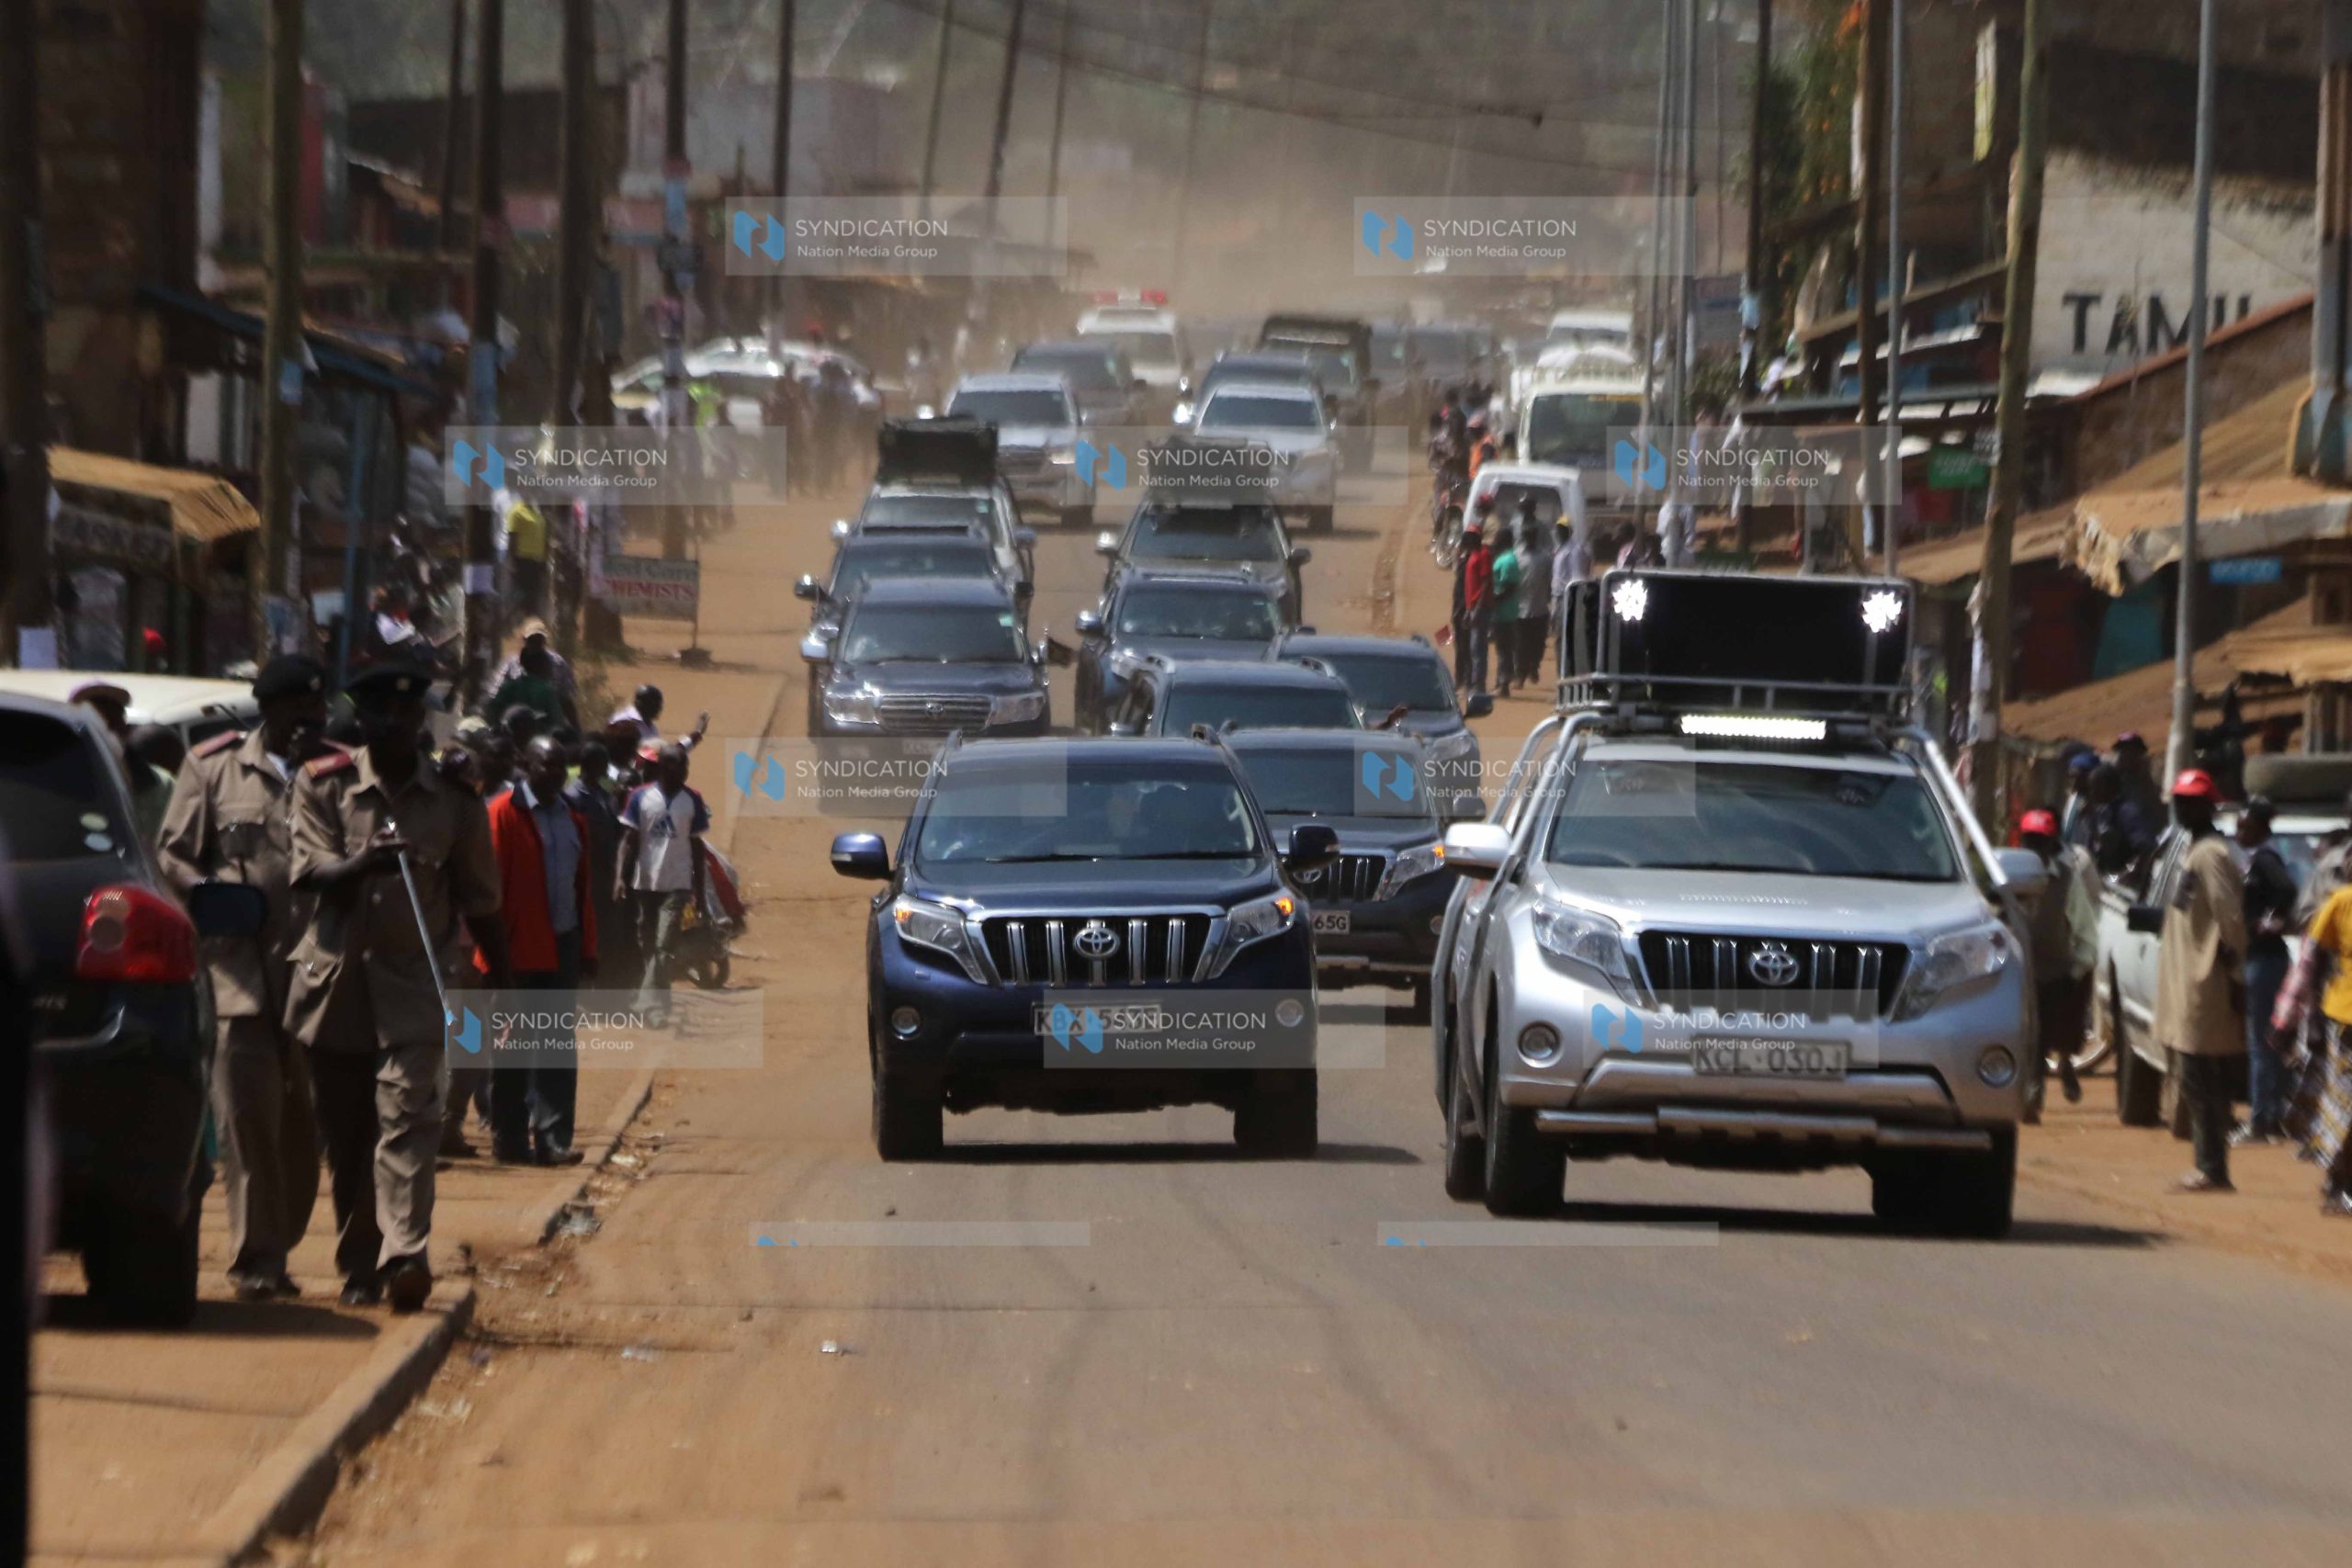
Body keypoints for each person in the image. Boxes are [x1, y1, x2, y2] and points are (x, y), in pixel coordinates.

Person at [288, 658, 509, 1310]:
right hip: (335, 989)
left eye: (411, 714)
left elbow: (481, 900)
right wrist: (363, 864)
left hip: (416, 985)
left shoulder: (455, 799)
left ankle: (406, 1251)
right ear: (364, 719)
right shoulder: (322, 785)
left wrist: (509, 983)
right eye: (386, 714)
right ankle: (361, 1261)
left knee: (408, 1118)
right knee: (351, 1139)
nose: (400, 725)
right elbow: (309, 871)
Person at [154, 654, 330, 1300]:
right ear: (271, 710)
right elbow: (172, 849)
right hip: (240, 975)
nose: (309, 725)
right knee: (247, 1123)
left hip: (316, 974)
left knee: (301, 1128)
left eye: (318, 713)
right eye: (298, 713)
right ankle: (256, 1259)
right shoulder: (214, 766)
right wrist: (211, 889)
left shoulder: (335, 774)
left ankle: (278, 1242)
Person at [481, 737, 599, 1166]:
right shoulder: (502, 814)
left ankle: (552, 1140)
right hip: (515, 952)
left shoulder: (573, 818)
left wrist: (587, 947)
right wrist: (491, 958)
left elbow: (581, 889)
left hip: (562, 947)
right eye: (545, 765)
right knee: (511, 1048)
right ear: (524, 763)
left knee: (556, 1048)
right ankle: (509, 1140)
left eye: (559, 766)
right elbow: (487, 893)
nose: (553, 773)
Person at [2134, 769, 2246, 1193]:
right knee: (2195, 1077)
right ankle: (2209, 1163)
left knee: (2202, 1080)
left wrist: (2234, 974)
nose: (2183, 807)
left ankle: (2212, 1167)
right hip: (2186, 980)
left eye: (2192, 800)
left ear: (2209, 804)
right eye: (2179, 800)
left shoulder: (2211, 855)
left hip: (2205, 983)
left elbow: (2231, 918)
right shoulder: (2192, 850)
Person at [2275, 883, 2352, 1217]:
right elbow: (2314, 959)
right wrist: (2313, 1020)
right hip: (2345, 1018)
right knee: (2347, 1112)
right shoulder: (2342, 902)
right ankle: (2341, 1184)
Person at [616, 743, 708, 1021]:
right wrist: (620, 877)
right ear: (663, 768)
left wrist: (699, 891)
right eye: (678, 766)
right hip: (645, 883)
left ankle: (645, 1003)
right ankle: (660, 1004)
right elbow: (628, 841)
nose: (684, 772)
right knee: (649, 946)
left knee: (663, 944)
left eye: (686, 766)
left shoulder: (692, 800)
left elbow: (697, 848)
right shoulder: (639, 798)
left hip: (677, 884)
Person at [2018, 808, 2098, 1107]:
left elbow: (2085, 931)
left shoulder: (2067, 881)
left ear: (2052, 845)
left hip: (2054, 972)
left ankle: (2048, 1079)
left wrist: (2077, 971)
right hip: (2020, 971)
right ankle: (2032, 1090)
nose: (2034, 849)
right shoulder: (2007, 877)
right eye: (2030, 841)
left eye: (2040, 842)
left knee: (2053, 1032)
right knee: (2028, 1035)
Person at [2236, 797, 2299, 1145]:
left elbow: (2287, 890)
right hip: (2263, 959)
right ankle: (2273, 1115)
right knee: (2269, 1041)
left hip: (2265, 960)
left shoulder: (2264, 859)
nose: (2238, 832)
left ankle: (2262, 1120)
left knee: (2260, 1042)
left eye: (2244, 826)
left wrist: (2269, 922)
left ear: (2260, 829)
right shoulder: (2256, 858)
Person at [71, 680, 174, 845]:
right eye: (95, 723)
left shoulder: (162, 786)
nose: (105, 732)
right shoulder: (61, 786)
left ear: (124, 728)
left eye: (112, 722)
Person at [490, 618, 581, 729]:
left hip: (546, 724)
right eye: (532, 640)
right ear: (525, 640)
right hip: (515, 723)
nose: (536, 644)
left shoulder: (558, 663)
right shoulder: (511, 664)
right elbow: (495, 697)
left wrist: (576, 727)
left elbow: (566, 700)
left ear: (545, 641)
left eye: (539, 640)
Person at [488, 643, 567, 735]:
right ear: (540, 665)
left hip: (510, 737)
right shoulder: (547, 690)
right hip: (538, 738)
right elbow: (557, 721)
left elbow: (493, 710)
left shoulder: (509, 687)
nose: (549, 668)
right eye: (547, 663)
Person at [609, 683, 708, 753]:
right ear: (642, 704)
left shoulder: (650, 726)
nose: (660, 709)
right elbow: (661, 758)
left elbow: (660, 757)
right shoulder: (622, 722)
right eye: (656, 705)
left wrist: (696, 734)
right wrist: (696, 735)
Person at [1458, 518, 1494, 698]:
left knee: (1478, 648)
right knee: (1474, 648)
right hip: (1472, 607)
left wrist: (1477, 609)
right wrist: (1468, 610)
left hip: (1480, 608)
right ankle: (1474, 684)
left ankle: (1479, 687)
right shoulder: (1472, 555)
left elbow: (1486, 582)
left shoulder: (1483, 555)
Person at [1488, 521, 1525, 698]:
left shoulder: (1509, 560)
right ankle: (1501, 682)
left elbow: (1509, 587)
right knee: (1503, 650)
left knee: (1504, 650)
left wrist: (1493, 600)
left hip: (1504, 612)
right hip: (1503, 611)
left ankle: (1503, 685)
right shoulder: (1504, 557)